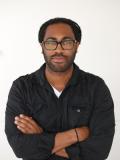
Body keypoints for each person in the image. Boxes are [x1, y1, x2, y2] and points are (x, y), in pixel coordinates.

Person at [5, 17, 115, 160]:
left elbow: (99, 151)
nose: (59, 49)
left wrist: (41, 136)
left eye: (67, 42)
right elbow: (20, 148)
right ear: (42, 46)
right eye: (51, 42)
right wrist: (76, 134)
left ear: (77, 45)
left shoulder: (96, 87)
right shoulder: (22, 87)